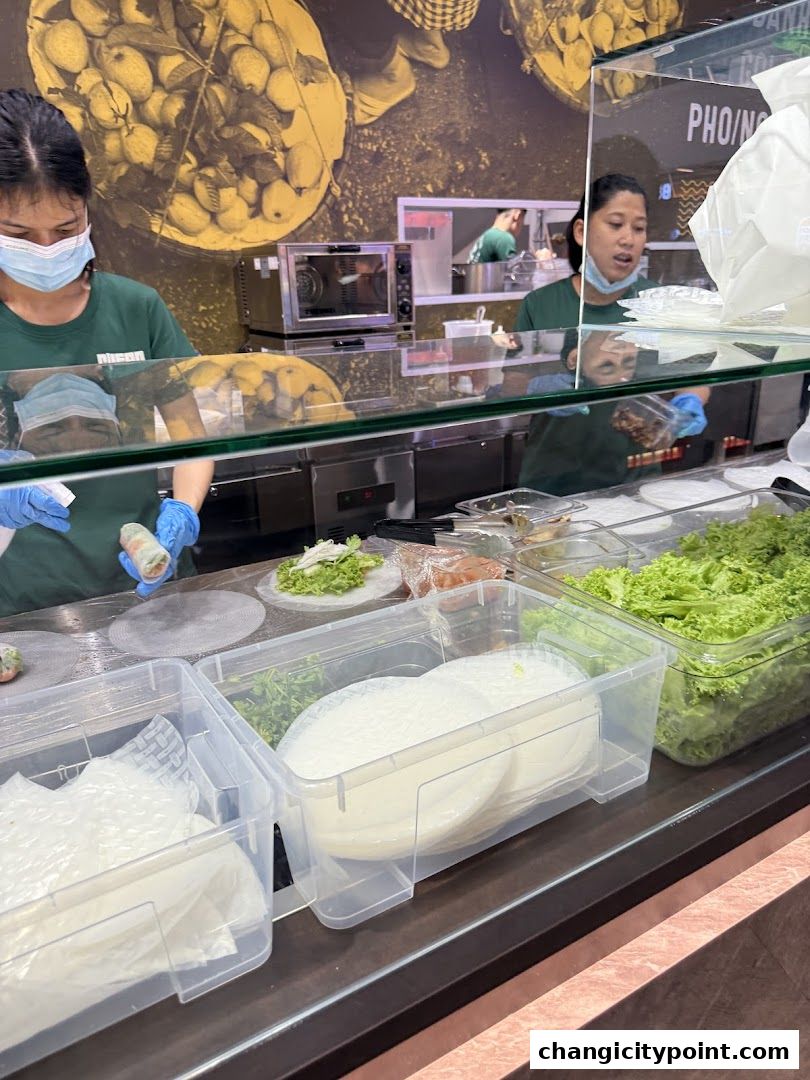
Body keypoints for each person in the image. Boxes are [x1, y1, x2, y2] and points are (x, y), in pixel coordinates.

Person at [0, 89, 213, 618]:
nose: (48, 248)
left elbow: (191, 435)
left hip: (144, 571)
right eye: (19, 234)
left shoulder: (136, 306)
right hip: (26, 594)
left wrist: (183, 511)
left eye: (67, 228)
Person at [505, 174, 709, 495]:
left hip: (635, 478)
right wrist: (537, 387)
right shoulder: (541, 304)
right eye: (616, 224)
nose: (628, 239)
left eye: (638, 228)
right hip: (551, 477)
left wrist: (690, 401)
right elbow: (511, 381)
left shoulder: (659, 305)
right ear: (582, 231)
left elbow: (694, 374)